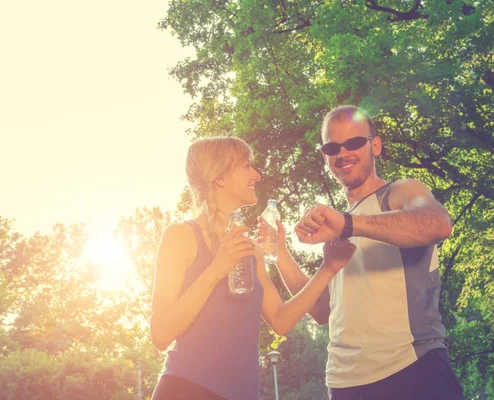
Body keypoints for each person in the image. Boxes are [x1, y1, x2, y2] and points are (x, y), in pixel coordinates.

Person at [273, 105, 464, 400]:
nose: (342, 153)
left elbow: (438, 224)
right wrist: (279, 252)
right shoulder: (340, 229)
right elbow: (323, 310)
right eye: (332, 147)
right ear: (325, 156)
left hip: (412, 368)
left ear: (375, 145)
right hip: (345, 383)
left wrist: (348, 224)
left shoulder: (399, 192)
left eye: (353, 143)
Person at [150, 136, 356, 400]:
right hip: (186, 389)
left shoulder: (251, 249)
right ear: (220, 177)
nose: (257, 175)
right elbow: (161, 334)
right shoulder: (180, 236)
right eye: (247, 166)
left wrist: (328, 269)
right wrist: (217, 268)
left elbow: (280, 320)